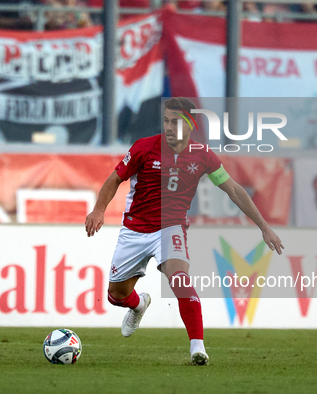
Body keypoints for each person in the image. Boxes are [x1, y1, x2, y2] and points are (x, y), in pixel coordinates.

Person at [85, 97, 284, 365]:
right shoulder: (144, 148)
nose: (168, 127)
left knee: (179, 279)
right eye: (166, 120)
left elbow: (235, 190)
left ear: (190, 124)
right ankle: (138, 305)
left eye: (175, 122)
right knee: (116, 296)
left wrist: (264, 226)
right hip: (134, 230)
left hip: (171, 228)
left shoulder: (202, 155)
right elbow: (114, 179)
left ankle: (197, 347)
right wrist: (99, 209)